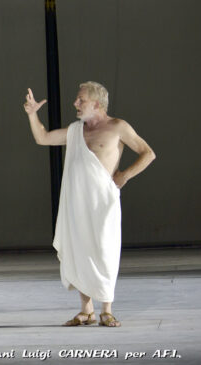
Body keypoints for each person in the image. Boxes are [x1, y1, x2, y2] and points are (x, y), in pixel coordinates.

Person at [22, 82, 155, 327]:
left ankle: (107, 308)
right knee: (80, 250)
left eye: (80, 99)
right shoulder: (75, 131)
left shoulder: (118, 127)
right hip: (77, 201)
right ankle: (87, 310)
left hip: (103, 201)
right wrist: (32, 115)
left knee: (105, 249)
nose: (75, 103)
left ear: (97, 103)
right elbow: (43, 138)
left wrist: (124, 175)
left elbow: (148, 153)